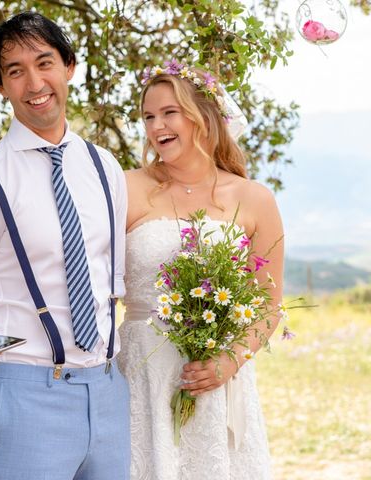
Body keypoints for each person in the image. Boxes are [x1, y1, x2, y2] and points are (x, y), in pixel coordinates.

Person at [0, 12, 130, 480]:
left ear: (69, 66)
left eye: (45, 63)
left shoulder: (105, 169)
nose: (34, 82)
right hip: (24, 394)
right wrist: (7, 400)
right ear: (1, 87)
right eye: (15, 71)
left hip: (108, 390)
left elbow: (110, 286)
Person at [117, 61, 283, 479]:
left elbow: (268, 305)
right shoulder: (126, 187)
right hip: (143, 374)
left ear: (202, 117)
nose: (157, 127)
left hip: (216, 379)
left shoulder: (254, 199)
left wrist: (228, 361)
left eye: (169, 112)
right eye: (148, 117)